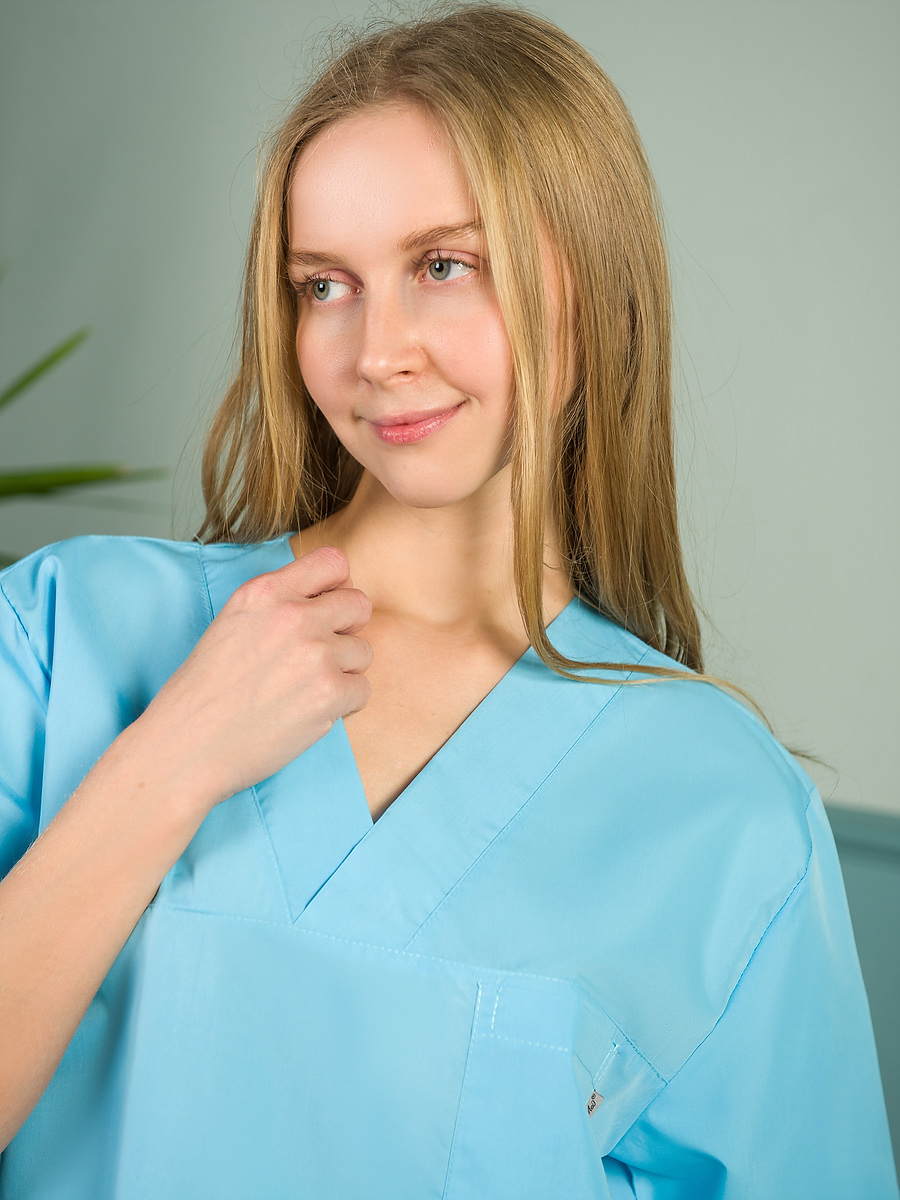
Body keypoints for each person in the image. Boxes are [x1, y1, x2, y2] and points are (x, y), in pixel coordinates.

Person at [0, 2, 895, 1196]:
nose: (377, 350)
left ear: (592, 284)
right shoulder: (63, 633)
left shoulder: (728, 811)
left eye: (443, 266)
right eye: (325, 285)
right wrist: (167, 766)